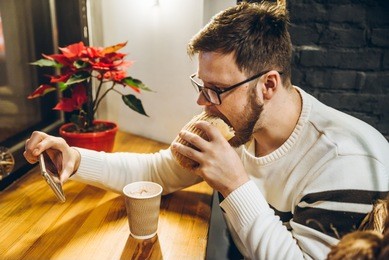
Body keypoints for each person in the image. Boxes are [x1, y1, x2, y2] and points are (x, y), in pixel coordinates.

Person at [24, 1, 389, 259]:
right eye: (200, 84)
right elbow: (157, 172)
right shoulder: (238, 126)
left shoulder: (345, 160)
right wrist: (75, 158)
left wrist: (234, 184)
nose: (202, 102)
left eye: (216, 89)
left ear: (268, 86)